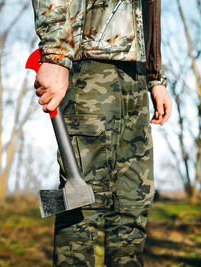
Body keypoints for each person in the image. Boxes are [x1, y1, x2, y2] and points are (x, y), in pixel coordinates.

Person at [32, 0, 172, 266]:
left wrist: (155, 76)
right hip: (88, 68)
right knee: (81, 209)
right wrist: (55, 53)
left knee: (132, 209)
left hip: (136, 76)